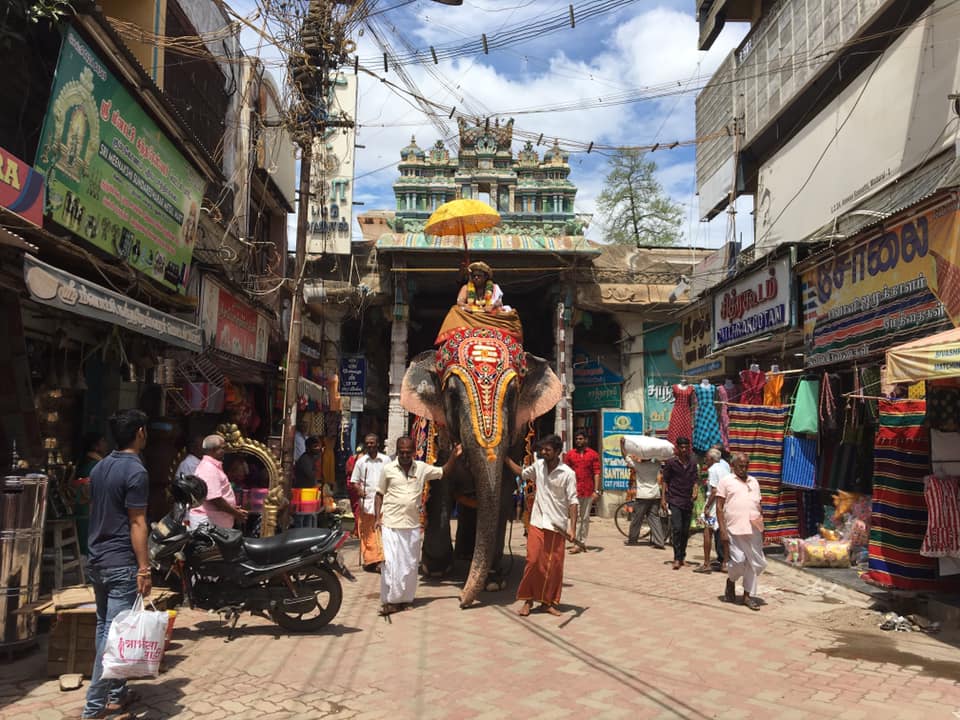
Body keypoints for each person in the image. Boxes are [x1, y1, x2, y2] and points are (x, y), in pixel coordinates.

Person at [82, 409, 152, 720]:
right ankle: (94, 708)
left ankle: (116, 693)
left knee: (106, 629)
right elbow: (138, 522)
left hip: (97, 558)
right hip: (121, 562)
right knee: (113, 635)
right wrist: (144, 568)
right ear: (140, 432)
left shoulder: (100, 467)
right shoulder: (136, 471)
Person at [375, 436, 462, 616]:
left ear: (414, 452)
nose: (405, 455)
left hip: (412, 526)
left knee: (409, 565)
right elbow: (379, 494)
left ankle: (406, 599)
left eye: (408, 452)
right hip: (391, 525)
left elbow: (444, 471)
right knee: (391, 565)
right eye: (401, 452)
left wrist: (454, 456)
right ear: (397, 451)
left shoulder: (421, 468)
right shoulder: (388, 469)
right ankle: (391, 601)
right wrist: (377, 517)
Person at [505, 435, 578, 617]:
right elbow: (522, 473)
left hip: (557, 526)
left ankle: (547, 602)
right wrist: (505, 459)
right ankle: (528, 600)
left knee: (553, 566)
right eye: (542, 449)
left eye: (548, 449)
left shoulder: (568, 473)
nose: (543, 452)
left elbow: (573, 502)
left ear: (558, 451)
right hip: (538, 522)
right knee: (533, 561)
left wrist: (573, 528)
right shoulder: (538, 466)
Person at [717, 452, 767, 610]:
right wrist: (722, 530)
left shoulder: (754, 481)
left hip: (753, 528)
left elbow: (759, 505)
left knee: (754, 563)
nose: (743, 469)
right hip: (734, 528)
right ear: (733, 466)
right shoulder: (726, 481)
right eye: (740, 466)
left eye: (746, 466)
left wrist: (763, 528)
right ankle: (731, 580)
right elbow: (719, 507)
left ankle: (747, 595)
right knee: (738, 561)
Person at [189, 434, 248, 530]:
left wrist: (232, 508)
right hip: (209, 523)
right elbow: (215, 500)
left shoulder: (211, 466)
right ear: (213, 450)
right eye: (223, 448)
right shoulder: (209, 468)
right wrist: (236, 513)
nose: (225, 451)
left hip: (214, 523)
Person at [659, 436, 700, 570]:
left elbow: (695, 480)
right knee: (677, 528)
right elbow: (665, 481)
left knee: (685, 530)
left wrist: (695, 491)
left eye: (686, 447)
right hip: (675, 499)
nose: (684, 450)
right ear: (677, 448)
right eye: (681, 447)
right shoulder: (671, 463)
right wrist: (663, 499)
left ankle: (682, 557)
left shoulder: (692, 463)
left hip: (688, 500)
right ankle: (676, 558)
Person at [350, 434, 388, 571]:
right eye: (367, 443)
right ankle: (372, 560)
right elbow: (354, 481)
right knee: (368, 532)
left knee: (381, 531)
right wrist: (359, 490)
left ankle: (382, 559)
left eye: (372, 442)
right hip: (367, 501)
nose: (369, 445)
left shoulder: (386, 460)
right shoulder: (361, 462)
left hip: (383, 500)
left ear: (378, 444)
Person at [620, 437, 666, 549]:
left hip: (642, 496)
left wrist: (622, 445)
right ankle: (659, 541)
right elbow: (660, 458)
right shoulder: (655, 465)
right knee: (654, 518)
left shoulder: (638, 465)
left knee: (637, 519)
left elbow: (625, 457)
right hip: (655, 495)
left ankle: (632, 539)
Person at [563, 431, 601, 553]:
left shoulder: (593, 454)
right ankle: (576, 540)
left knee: (584, 518)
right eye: (576, 439)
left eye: (580, 439)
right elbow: (565, 472)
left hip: (588, 490)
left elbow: (596, 473)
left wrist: (596, 490)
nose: (578, 441)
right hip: (573, 490)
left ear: (586, 440)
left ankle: (581, 542)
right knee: (575, 517)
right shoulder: (570, 455)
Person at [695, 447, 730, 574]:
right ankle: (725, 562)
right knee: (723, 532)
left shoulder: (713, 469)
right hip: (724, 504)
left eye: (707, 458)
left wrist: (707, 506)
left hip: (714, 505)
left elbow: (715, 490)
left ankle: (706, 563)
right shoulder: (725, 468)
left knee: (707, 531)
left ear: (711, 458)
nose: (705, 460)